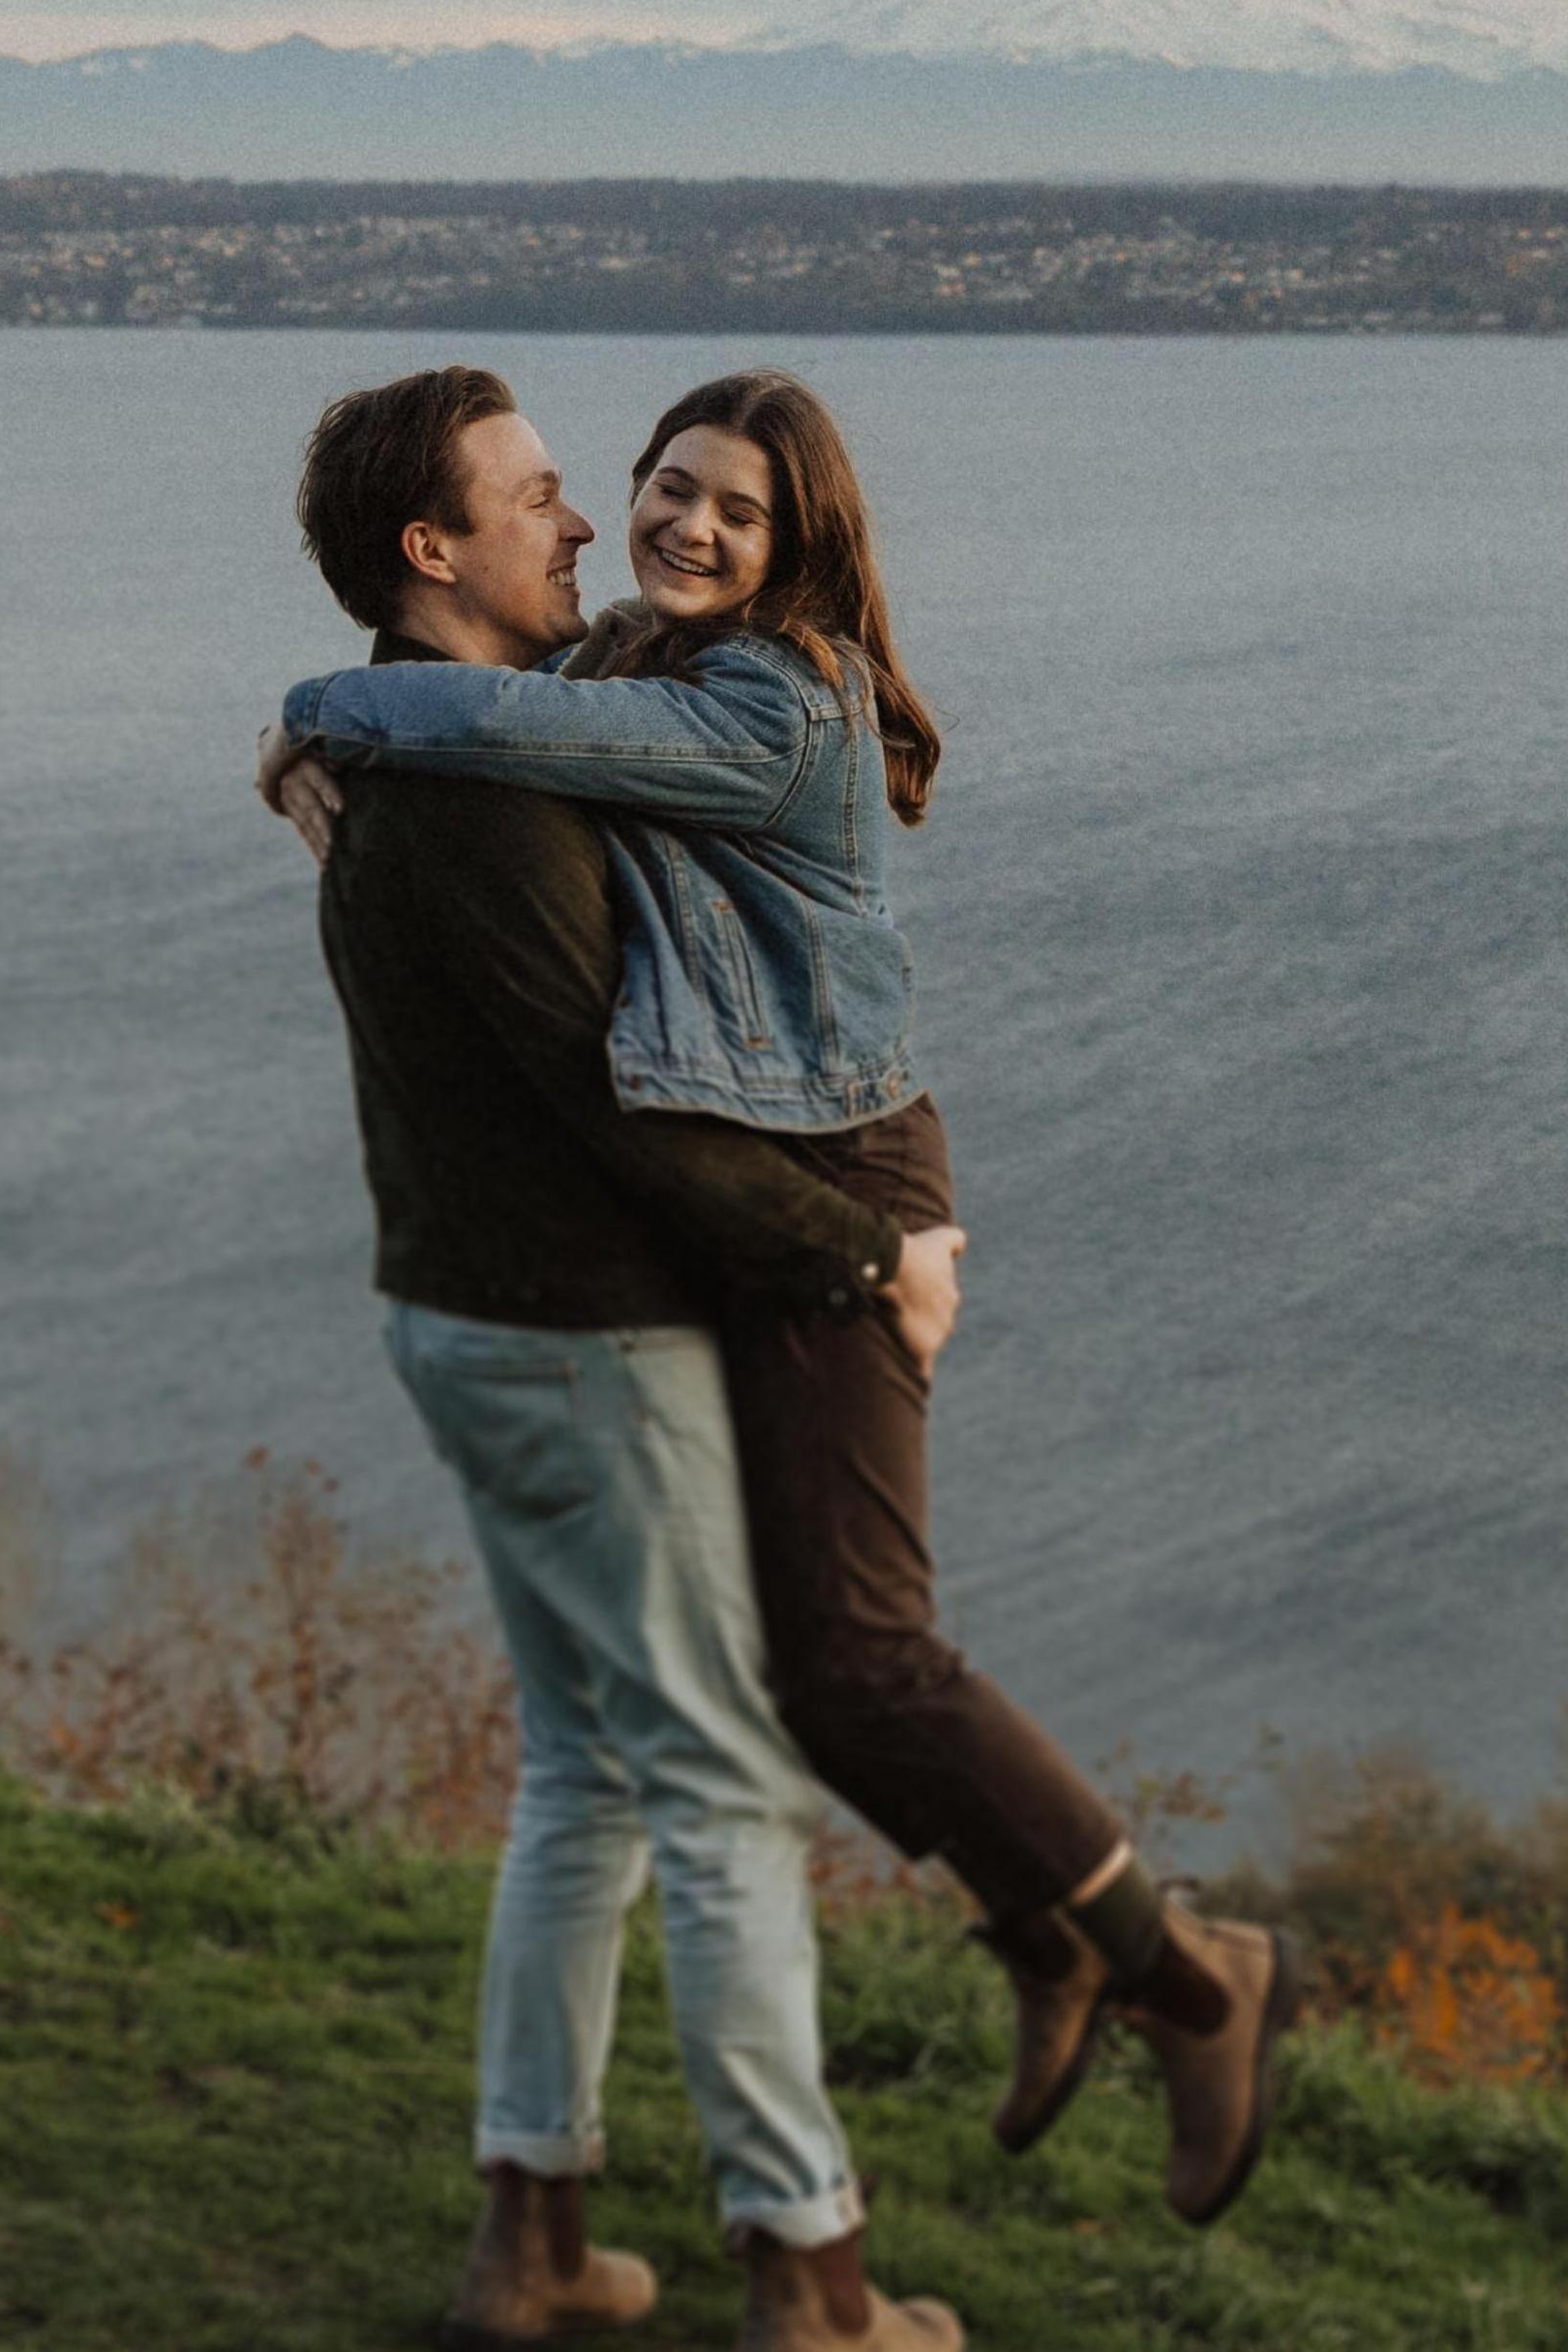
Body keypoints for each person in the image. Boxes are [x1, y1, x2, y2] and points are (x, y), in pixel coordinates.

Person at [261, 364, 1300, 2229]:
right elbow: (505, 728)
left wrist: (321, 711)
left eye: (733, 510)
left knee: (856, 1654)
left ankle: (1191, 1976)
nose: (655, 525)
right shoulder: (618, 671)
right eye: (653, 486)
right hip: (760, 1192)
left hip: (837, 1187)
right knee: (805, 1675)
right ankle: (1060, 1937)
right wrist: (338, 753)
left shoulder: (769, 702)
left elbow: (482, 729)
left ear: (803, 541)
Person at [285, 361, 968, 2352]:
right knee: (724, 1781)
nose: (582, 528)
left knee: (584, 1771)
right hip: (574, 1338)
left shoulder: (454, 759)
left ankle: (533, 2237)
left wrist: (304, 716)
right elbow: (633, 1124)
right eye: (545, 496)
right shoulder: (484, 805)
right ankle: (807, 2274)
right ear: (438, 554)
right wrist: (868, 1252)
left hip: (465, 1318)